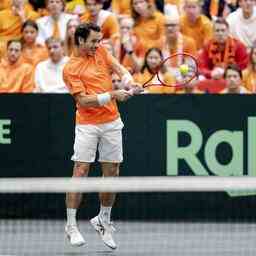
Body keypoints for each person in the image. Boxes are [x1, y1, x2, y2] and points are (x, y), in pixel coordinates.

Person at [63, 22, 141, 249]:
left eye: (99, 40)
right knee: (81, 170)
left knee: (112, 172)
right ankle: (71, 225)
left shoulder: (102, 52)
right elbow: (83, 101)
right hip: (87, 125)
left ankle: (103, 219)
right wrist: (113, 95)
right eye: (93, 41)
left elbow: (120, 69)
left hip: (112, 122)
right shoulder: (70, 68)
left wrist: (129, 82)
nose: (98, 45)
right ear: (80, 41)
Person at [197, 17, 249, 93]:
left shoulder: (238, 46)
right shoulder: (207, 45)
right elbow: (201, 66)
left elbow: (243, 66)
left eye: (223, 30)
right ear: (213, 32)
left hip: (232, 78)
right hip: (213, 79)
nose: (220, 33)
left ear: (228, 31)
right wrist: (211, 73)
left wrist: (227, 73)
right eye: (217, 31)